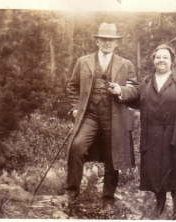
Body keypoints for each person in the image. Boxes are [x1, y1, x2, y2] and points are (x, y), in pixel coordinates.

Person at [110, 44, 176, 219]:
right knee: (156, 171)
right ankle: (160, 205)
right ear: (154, 60)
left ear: (172, 61)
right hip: (152, 135)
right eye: (158, 57)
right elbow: (134, 93)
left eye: (165, 57)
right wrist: (120, 90)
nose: (161, 60)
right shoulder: (148, 81)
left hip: (175, 133)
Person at [65, 23, 138, 211]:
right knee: (76, 147)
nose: (107, 43)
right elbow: (72, 86)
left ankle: (108, 199)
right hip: (89, 116)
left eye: (111, 40)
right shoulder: (83, 61)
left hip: (114, 117)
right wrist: (75, 108)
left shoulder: (126, 64)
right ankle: (71, 194)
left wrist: (121, 90)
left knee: (112, 157)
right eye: (104, 40)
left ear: (116, 43)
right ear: (97, 41)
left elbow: (135, 90)